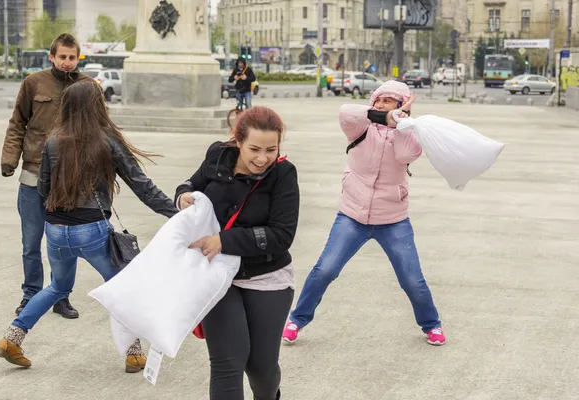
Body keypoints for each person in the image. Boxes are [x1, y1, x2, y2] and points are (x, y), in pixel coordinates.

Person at [0, 80, 178, 372]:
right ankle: (133, 353)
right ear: (97, 106)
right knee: (120, 287)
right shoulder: (106, 140)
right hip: (91, 229)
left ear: (66, 106)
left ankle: (12, 339)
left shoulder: (53, 141)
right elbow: (144, 188)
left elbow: (42, 189)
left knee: (58, 286)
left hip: (55, 230)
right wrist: (176, 212)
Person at [282, 80, 447, 346]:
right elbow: (345, 111)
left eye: (389, 101)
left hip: (393, 220)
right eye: (378, 100)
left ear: (402, 105)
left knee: (411, 280)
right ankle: (296, 320)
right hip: (352, 216)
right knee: (325, 270)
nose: (381, 105)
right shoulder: (360, 128)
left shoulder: (411, 134)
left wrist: (402, 123)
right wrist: (384, 115)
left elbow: (405, 154)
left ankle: (432, 324)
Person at [175, 106, 299, 400]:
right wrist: (182, 195)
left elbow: (282, 235)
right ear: (238, 141)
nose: (262, 158)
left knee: (261, 369)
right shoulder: (218, 155)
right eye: (254, 148)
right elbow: (192, 184)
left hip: (265, 276)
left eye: (271, 149)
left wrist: (225, 239)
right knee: (227, 363)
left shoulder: (283, 174)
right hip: (218, 276)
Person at [1, 33, 92, 319]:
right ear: (51, 57)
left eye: (72, 57)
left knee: (65, 243)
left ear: (78, 58)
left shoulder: (88, 87)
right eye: (62, 57)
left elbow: (99, 131)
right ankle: (30, 294)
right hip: (31, 175)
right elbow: (18, 122)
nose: (67, 62)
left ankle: (61, 297)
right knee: (31, 242)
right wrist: (9, 159)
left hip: (69, 181)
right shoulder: (33, 83)